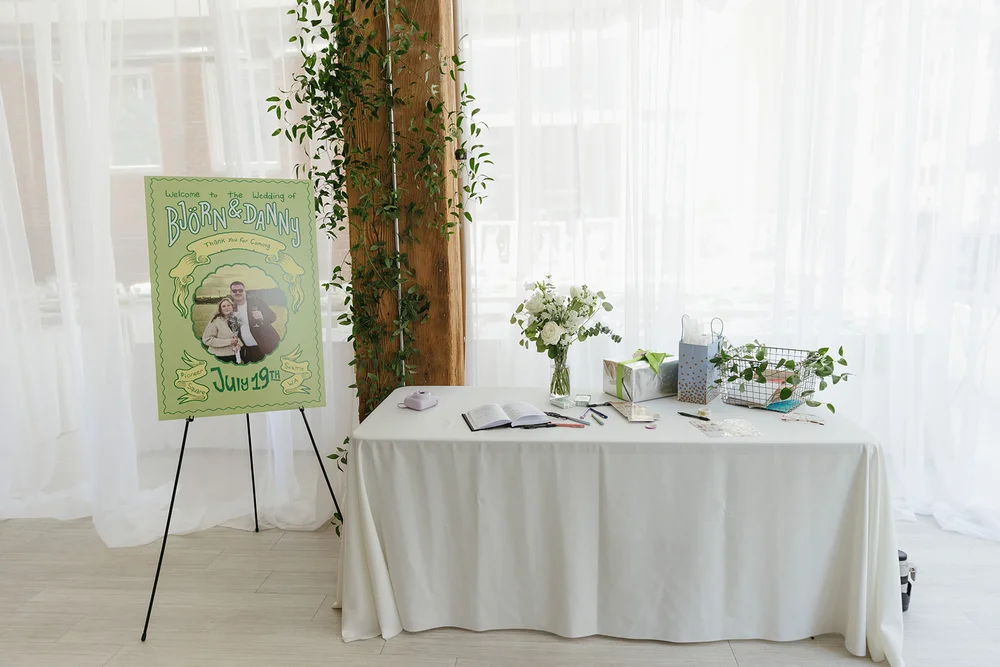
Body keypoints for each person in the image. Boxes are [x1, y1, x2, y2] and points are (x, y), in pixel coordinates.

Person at [229, 280, 278, 363]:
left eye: (240, 290)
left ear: (244, 291)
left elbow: (273, 316)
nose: (238, 292)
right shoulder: (232, 308)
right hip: (249, 350)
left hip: (266, 346)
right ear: (231, 293)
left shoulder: (257, 302)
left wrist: (262, 317)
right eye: (234, 291)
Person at [201, 297, 242, 363]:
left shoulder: (236, 319)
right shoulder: (215, 321)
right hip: (218, 357)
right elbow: (207, 339)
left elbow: (240, 336)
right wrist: (229, 341)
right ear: (220, 309)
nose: (226, 308)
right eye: (223, 306)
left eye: (228, 305)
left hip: (234, 356)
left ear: (232, 307)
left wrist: (239, 344)